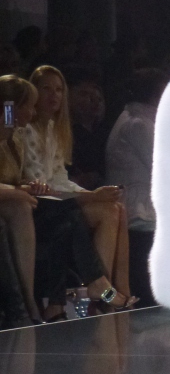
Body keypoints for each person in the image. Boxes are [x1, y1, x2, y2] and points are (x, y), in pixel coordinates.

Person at [0, 75, 120, 320]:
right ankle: (95, 287)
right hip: (18, 206)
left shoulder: (15, 138)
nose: (33, 111)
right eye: (29, 105)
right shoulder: (16, 134)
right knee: (68, 214)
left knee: (72, 221)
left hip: (30, 201)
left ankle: (59, 303)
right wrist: (21, 190)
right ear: (12, 107)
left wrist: (27, 187)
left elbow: (31, 178)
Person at [23, 66, 137, 309]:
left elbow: (60, 178)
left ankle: (118, 288)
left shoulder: (54, 129)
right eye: (46, 89)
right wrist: (92, 196)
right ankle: (102, 291)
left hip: (57, 202)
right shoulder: (26, 129)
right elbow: (41, 185)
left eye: (58, 90)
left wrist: (93, 195)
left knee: (116, 208)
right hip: (40, 206)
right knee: (107, 211)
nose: (54, 95)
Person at [106, 68, 168, 303]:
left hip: (143, 209)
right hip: (138, 212)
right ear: (156, 94)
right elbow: (164, 168)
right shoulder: (138, 124)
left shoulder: (138, 119)